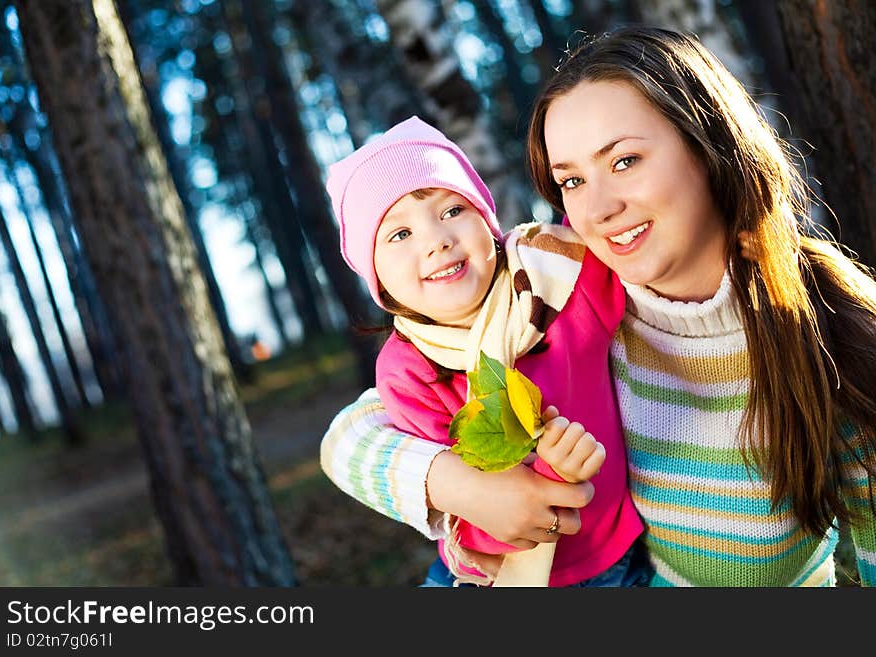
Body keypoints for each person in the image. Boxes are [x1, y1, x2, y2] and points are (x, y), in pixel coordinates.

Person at [321, 26, 876, 587]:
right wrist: (460, 486)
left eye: (625, 161)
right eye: (571, 180)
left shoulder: (828, 330)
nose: (601, 208)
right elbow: (350, 437)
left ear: (709, 141)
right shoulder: (572, 289)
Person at [324, 116, 647, 587]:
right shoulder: (407, 371)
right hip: (495, 575)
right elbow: (465, 510)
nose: (437, 240)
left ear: (487, 219)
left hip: (612, 556)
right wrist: (549, 476)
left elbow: (630, 254)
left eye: (452, 210)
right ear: (375, 276)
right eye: (399, 235)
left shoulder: (562, 278)